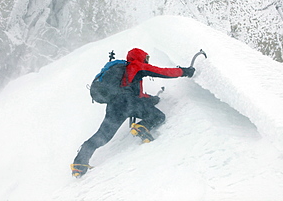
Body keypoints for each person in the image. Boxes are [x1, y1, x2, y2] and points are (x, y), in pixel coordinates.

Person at [70, 48, 195, 177]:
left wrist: (151, 99)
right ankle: (142, 127)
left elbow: (136, 94)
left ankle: (79, 164)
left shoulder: (125, 73)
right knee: (158, 116)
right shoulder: (136, 66)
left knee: (103, 135)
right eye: (146, 58)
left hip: (114, 106)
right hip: (128, 102)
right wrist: (184, 72)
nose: (147, 61)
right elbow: (162, 72)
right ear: (139, 57)